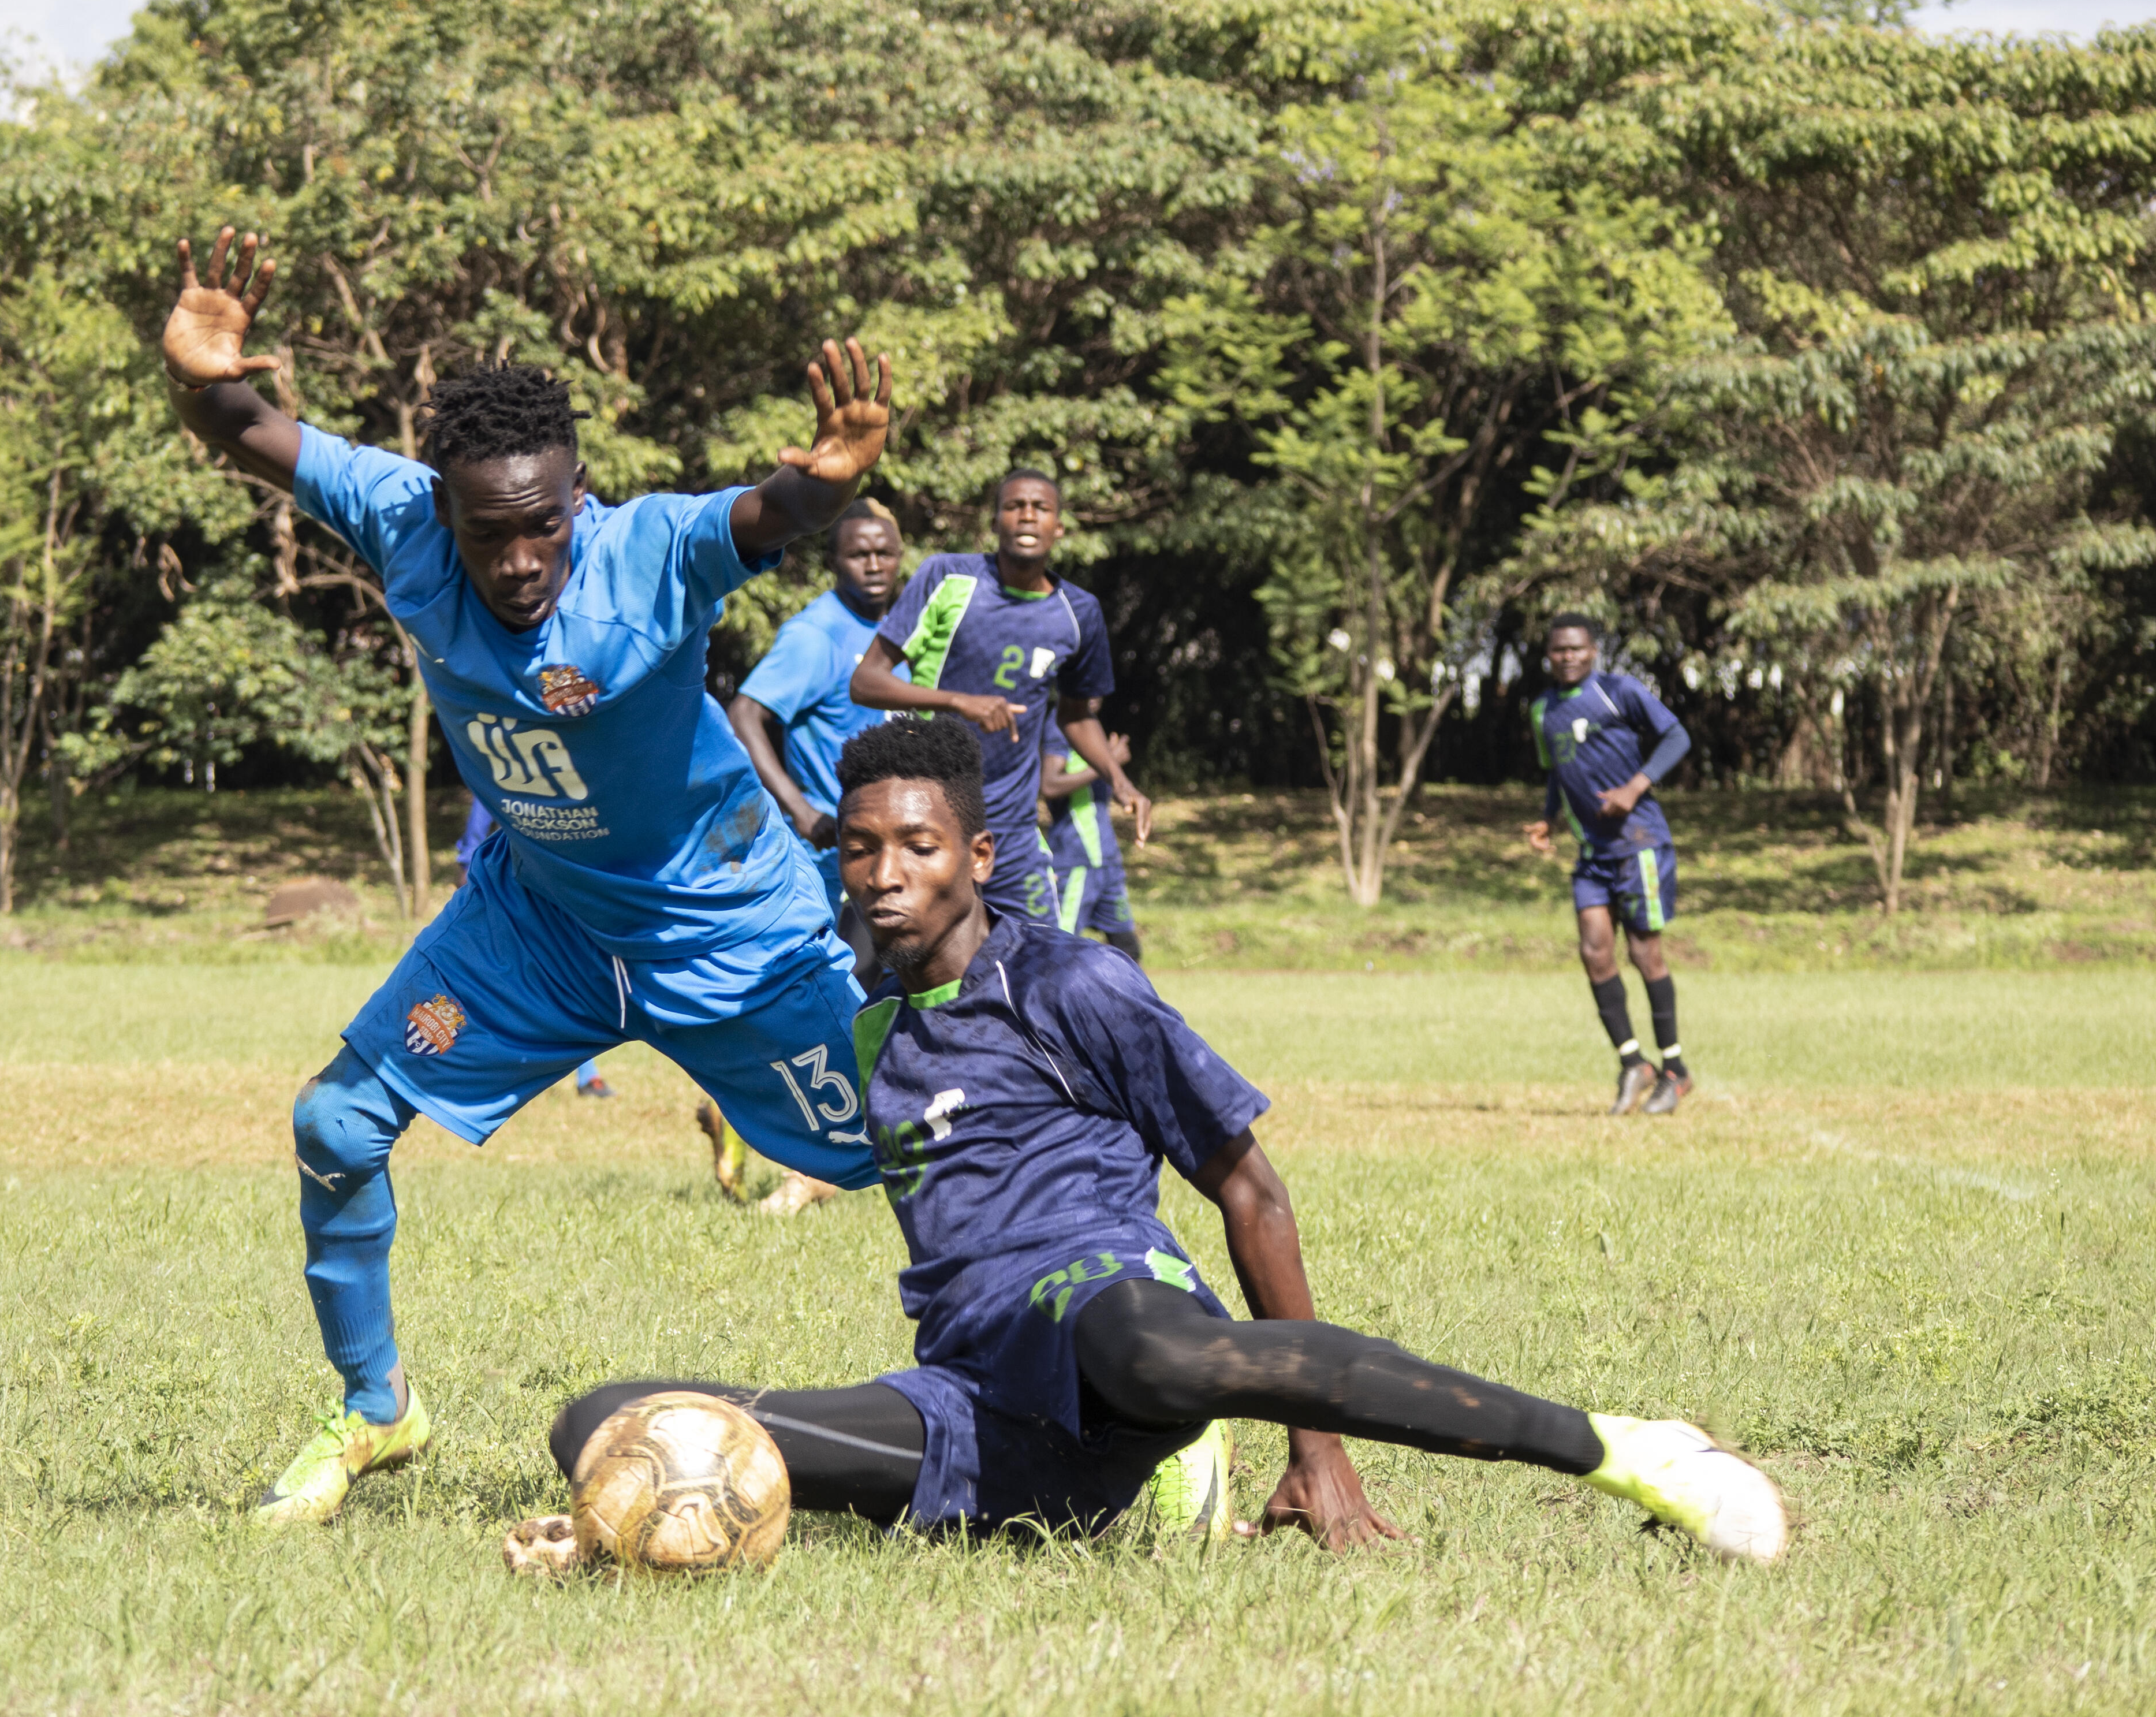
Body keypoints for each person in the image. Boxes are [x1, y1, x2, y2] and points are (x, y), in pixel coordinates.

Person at [539, 716, 1786, 1561]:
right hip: (974, 1394)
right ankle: (1150, 1483)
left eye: (916, 846)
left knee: (1144, 1346)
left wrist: (1320, 1454)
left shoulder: (1073, 984)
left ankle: (1628, 1448)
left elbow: (1249, 1187)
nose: (882, 874)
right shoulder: (871, 1034)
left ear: (975, 855)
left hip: (1108, 1306)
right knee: (609, 1420)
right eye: (859, 848)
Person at [158, 229, 896, 1529]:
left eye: (542, 525)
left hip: (729, 925)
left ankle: (1072, 1400)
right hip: (536, 923)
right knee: (335, 1123)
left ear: (578, 498)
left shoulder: (650, 552)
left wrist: (826, 482)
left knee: (925, 1143)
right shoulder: (402, 518)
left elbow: (766, 513)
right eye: (489, 531)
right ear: (445, 508)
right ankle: (375, 1407)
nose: (517, 560)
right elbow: (249, 426)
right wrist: (196, 381)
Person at [706, 498, 906, 1213]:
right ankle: (794, 1160)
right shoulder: (818, 634)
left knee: (887, 995)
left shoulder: (903, 629)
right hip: (819, 861)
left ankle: (792, 1144)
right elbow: (745, 714)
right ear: (835, 560)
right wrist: (802, 809)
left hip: (883, 854)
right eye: (859, 553)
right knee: (816, 1003)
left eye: (885, 551)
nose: (875, 564)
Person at [849, 467, 1149, 923]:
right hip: (927, 816)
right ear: (995, 524)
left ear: (1059, 527)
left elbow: (1075, 716)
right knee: (913, 969)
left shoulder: (1078, 612)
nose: (1027, 516)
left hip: (1011, 827)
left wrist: (1118, 778)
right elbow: (866, 681)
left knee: (1043, 964)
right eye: (1014, 506)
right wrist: (958, 701)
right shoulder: (947, 577)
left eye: (1041, 508)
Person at [1519, 614, 1695, 1116]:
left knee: (1645, 954)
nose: (1567, 657)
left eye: (1576, 648)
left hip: (1640, 844)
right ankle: (1633, 1062)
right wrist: (1547, 820)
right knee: (1595, 953)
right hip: (1593, 855)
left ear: (1593, 650)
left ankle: (1676, 1071)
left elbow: (1677, 737)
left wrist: (1634, 788)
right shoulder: (1542, 711)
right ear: (1549, 655)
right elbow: (1559, 771)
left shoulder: (1620, 691)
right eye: (1558, 650)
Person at [454, 798, 609, 1100]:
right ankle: (478, 1063)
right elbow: (481, 815)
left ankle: (585, 1074)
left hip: (563, 881)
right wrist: (469, 865)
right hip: (516, 885)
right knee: (517, 977)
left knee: (565, 975)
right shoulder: (513, 769)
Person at [1038, 728, 1143, 963]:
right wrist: (1106, 763)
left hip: (1108, 863)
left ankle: (1118, 1000)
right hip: (1075, 863)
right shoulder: (1059, 727)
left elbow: (1109, 789)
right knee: (1058, 953)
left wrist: (1123, 786)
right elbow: (1049, 785)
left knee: (1129, 950)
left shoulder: (1094, 728)